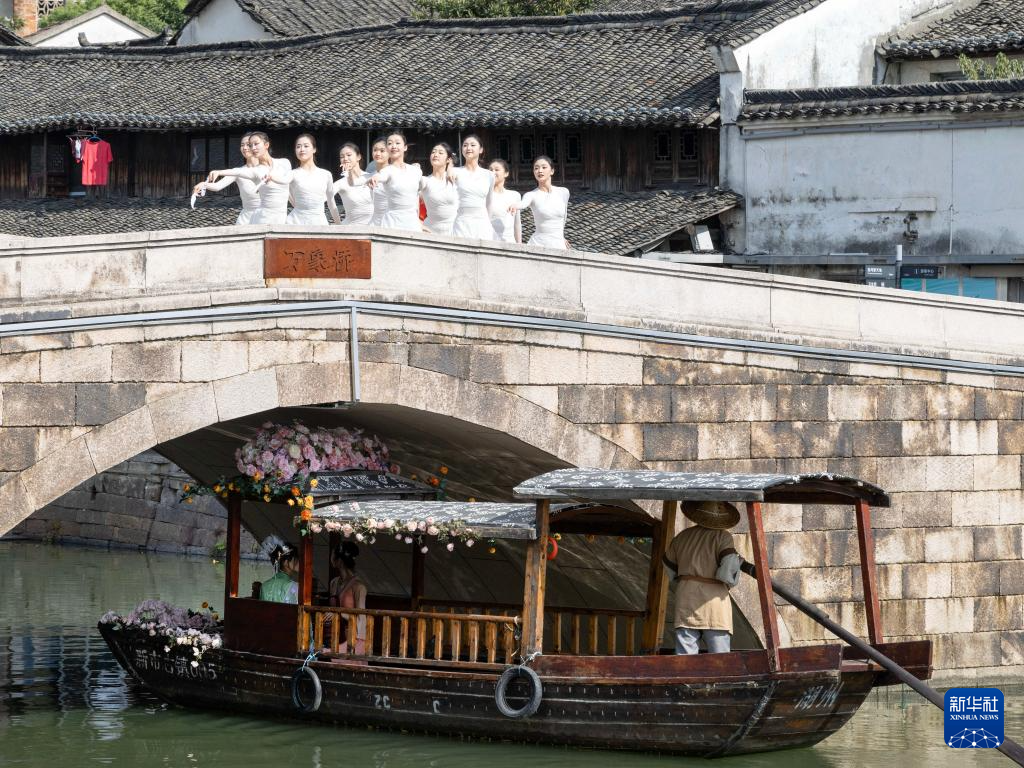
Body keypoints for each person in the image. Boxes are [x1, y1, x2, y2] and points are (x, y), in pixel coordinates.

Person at [663, 500, 740, 655]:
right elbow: (727, 571)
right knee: (720, 658)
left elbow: (668, 565)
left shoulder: (682, 536)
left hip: (686, 597)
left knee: (685, 657)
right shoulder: (723, 537)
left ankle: (686, 674)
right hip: (714, 600)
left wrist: (685, 577)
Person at [206, 132, 292, 225]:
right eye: (247, 145)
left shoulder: (284, 163)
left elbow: (289, 187)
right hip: (254, 219)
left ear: (266, 145)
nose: (249, 148)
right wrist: (216, 174)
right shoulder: (252, 171)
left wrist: (298, 208)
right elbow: (236, 172)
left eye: (253, 144)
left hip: (278, 217)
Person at [358, 132, 422, 232]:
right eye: (390, 143)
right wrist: (375, 178)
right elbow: (381, 176)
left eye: (397, 143)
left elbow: (417, 198)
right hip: (393, 223)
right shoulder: (387, 171)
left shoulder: (416, 171)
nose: (393, 146)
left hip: (413, 223)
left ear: (405, 147)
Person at [192, 133, 261, 225]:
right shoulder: (237, 171)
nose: (244, 148)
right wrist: (203, 184)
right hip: (246, 218)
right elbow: (217, 186)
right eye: (242, 145)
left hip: (266, 215)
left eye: (248, 145)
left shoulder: (268, 168)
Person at [509, 155, 570, 249]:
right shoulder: (531, 195)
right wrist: (515, 205)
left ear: (552, 171)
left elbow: (564, 216)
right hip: (538, 243)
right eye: (536, 168)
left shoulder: (564, 192)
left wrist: (561, 237)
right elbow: (523, 203)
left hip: (559, 243)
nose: (540, 171)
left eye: (544, 167)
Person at [282, 133, 341, 225]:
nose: (302, 149)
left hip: (319, 222)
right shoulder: (292, 174)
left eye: (306, 146)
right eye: (298, 147)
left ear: (314, 149)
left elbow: (331, 203)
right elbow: (288, 196)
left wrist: (339, 226)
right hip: (295, 222)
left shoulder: (326, 174)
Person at [448, 135, 496, 240]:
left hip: (482, 222)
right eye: (465, 145)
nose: (468, 148)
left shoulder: (489, 175)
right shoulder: (455, 172)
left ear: (481, 150)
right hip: (462, 221)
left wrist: (488, 223)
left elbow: (489, 202)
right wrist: (449, 167)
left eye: (473, 145)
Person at [329, 541, 367, 654]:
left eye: (333, 556)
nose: (331, 559)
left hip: (352, 637)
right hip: (334, 634)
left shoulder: (358, 586)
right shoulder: (333, 583)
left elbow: (361, 618)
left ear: (340, 561)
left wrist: (338, 614)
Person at [419, 142, 458, 235]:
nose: (435, 155)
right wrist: (418, 223)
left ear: (448, 159)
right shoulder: (425, 180)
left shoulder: (455, 177)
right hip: (431, 231)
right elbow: (407, 197)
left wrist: (450, 167)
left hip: (454, 231)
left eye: (440, 153)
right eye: (433, 152)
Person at [333, 142, 374, 225]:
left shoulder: (371, 177)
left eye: (349, 155)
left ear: (358, 157)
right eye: (342, 157)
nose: (345, 159)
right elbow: (324, 197)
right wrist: (338, 225)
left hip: (374, 227)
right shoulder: (340, 183)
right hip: (351, 228)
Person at [488, 158, 521, 244]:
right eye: (490, 170)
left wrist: (519, 245)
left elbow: (517, 224)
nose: (493, 172)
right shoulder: (485, 195)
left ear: (506, 173)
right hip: (490, 242)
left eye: (497, 170)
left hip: (510, 242)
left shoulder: (515, 195)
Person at [260, 539, 300, 604]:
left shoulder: (264, 585)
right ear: (286, 563)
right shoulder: (294, 586)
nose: (298, 562)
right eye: (295, 559)